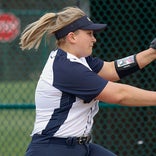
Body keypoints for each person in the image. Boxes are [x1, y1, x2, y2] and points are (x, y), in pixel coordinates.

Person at [19, 6, 156, 156]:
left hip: (79, 147)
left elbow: (112, 69)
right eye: (89, 33)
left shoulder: (80, 60)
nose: (94, 39)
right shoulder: (66, 67)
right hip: (53, 149)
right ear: (72, 37)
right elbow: (119, 95)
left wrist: (152, 52)